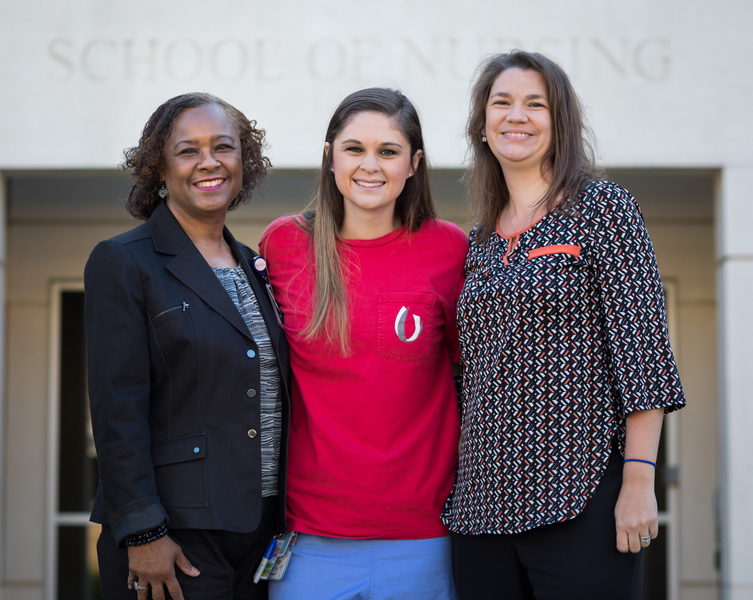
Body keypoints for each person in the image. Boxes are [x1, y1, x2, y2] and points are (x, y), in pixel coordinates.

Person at [442, 50, 686, 599]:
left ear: (561, 123)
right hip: (482, 507)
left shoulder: (604, 208)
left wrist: (639, 481)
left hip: (582, 495)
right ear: (483, 124)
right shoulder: (478, 239)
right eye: (501, 103)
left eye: (536, 104)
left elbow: (642, 352)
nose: (516, 116)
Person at [259, 88, 467, 599]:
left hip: (424, 535)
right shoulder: (283, 244)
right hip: (309, 537)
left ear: (414, 164)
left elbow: (476, 380)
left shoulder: (449, 248)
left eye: (389, 151)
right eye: (354, 149)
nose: (370, 165)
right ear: (330, 157)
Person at [84, 92, 290, 600]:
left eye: (224, 147)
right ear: (159, 166)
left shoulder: (255, 266)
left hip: (258, 533)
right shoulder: (124, 262)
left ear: (245, 163)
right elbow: (117, 410)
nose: (209, 162)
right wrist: (143, 532)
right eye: (187, 150)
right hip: (174, 538)